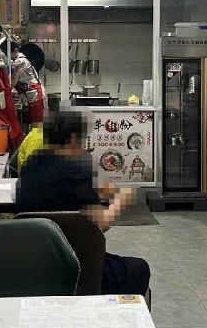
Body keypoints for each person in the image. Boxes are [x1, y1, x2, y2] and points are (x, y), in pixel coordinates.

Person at [16, 110, 151, 297]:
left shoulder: (32, 164)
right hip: (81, 268)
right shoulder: (79, 167)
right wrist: (121, 201)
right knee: (140, 268)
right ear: (73, 138)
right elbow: (100, 225)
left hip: (36, 266)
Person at [0, 36, 45, 125]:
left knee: (37, 124)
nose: (7, 56)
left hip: (35, 96)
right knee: (31, 122)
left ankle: (36, 134)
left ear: (15, 50)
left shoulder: (20, 62)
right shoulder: (20, 60)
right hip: (29, 95)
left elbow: (12, 83)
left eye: (8, 53)